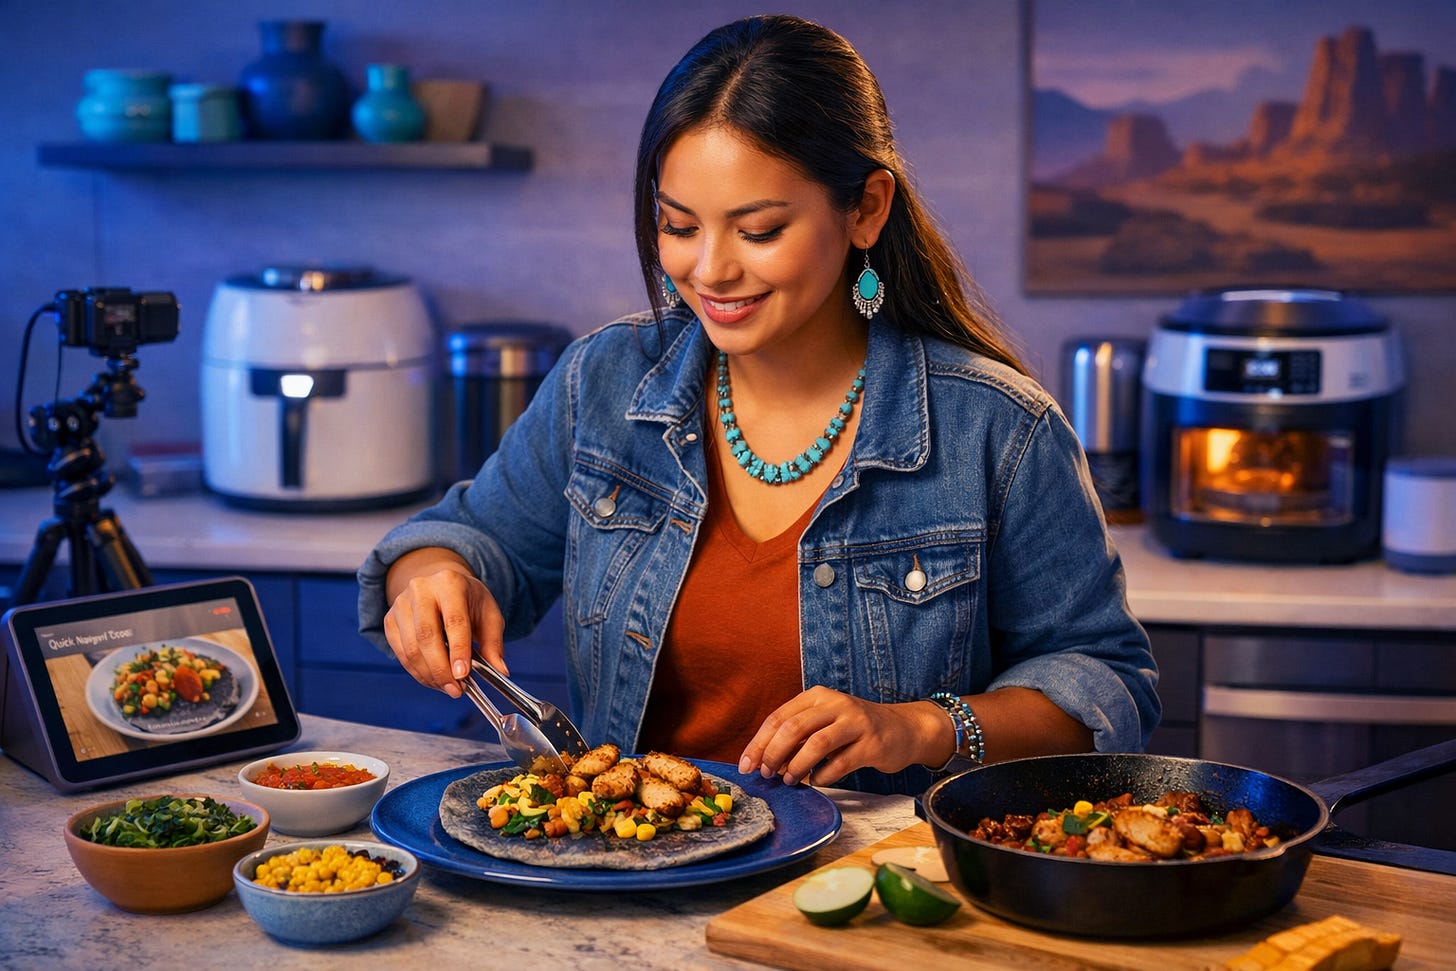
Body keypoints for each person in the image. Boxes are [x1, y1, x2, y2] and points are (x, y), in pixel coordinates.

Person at [357, 14, 1159, 796]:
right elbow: (467, 540)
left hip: (857, 899)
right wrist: (433, 575)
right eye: (677, 225)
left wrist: (920, 727)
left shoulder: (999, 428)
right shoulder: (603, 381)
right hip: (625, 879)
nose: (709, 270)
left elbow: (1103, 684)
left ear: (867, 209)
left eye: (760, 229)